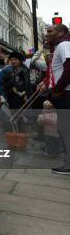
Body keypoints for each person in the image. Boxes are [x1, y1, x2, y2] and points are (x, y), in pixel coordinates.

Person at [37, 24, 70, 175]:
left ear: (61, 33)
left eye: (50, 31)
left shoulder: (64, 44)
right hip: (62, 94)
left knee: (66, 129)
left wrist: (57, 90)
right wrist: (47, 82)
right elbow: (58, 70)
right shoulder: (59, 46)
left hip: (65, 95)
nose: (46, 34)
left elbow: (69, 68)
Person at [1, 51, 31, 132]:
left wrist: (26, 95)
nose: (13, 61)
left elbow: (27, 84)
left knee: (19, 116)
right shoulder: (10, 70)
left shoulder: (24, 70)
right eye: (11, 60)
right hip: (12, 96)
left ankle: (20, 134)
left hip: (20, 97)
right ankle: (16, 134)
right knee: (14, 115)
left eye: (15, 60)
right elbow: (5, 83)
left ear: (20, 61)